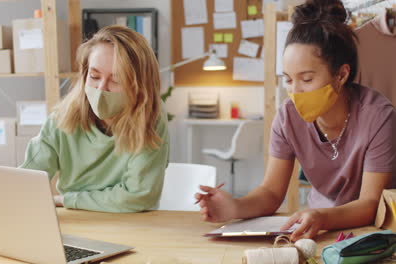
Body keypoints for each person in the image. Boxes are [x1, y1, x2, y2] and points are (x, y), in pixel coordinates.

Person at [196, 0, 395, 241]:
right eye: (288, 80)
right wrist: (235, 207)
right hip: (316, 230)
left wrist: (322, 216)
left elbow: (369, 204)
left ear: (341, 74)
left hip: (373, 233)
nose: (296, 91)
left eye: (307, 79)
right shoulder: (287, 117)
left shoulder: (379, 117)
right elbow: (270, 192)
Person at [20, 25, 169, 213]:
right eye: (94, 76)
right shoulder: (61, 119)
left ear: (140, 86)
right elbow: (25, 181)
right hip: (76, 221)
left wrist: (65, 199)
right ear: (84, 75)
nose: (101, 89)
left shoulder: (150, 117)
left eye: (116, 80)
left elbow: (139, 195)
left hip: (132, 222)